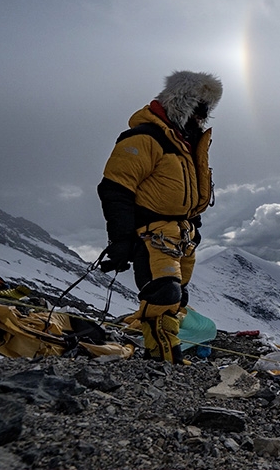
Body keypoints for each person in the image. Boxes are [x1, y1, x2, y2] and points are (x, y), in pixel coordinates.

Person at [97, 71, 222, 363]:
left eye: (205, 110)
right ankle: (162, 358)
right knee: (163, 294)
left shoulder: (184, 145)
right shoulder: (145, 139)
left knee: (178, 298)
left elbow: (182, 191)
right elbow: (115, 188)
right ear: (181, 104)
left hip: (181, 235)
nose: (201, 117)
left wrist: (193, 224)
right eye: (197, 108)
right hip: (153, 234)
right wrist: (121, 239)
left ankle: (165, 352)